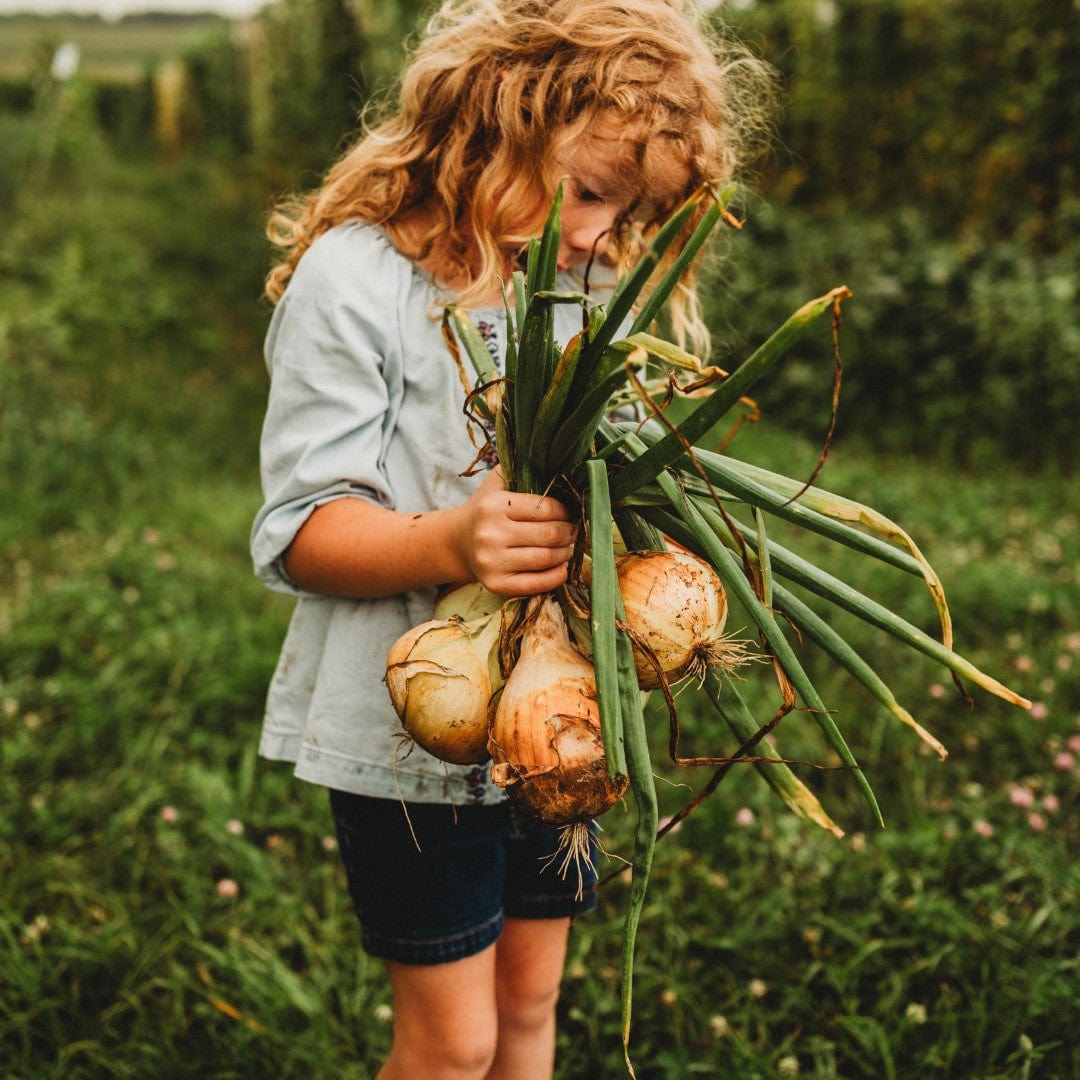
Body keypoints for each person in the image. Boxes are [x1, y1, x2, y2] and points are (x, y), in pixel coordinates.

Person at [251, 2, 774, 1075]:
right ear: (490, 122)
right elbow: (302, 530)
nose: (592, 232)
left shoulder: (586, 285)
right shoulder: (359, 281)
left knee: (530, 1010)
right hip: (412, 738)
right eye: (584, 191)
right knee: (454, 1044)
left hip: (565, 721)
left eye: (623, 210)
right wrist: (457, 542)